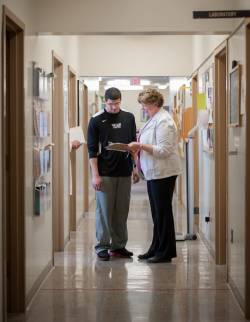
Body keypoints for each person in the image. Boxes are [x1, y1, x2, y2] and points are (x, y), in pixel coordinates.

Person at [128, 88, 181, 263]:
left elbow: (164, 150)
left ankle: (165, 252)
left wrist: (140, 146)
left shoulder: (164, 121)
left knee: (163, 213)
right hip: (154, 173)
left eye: (146, 105)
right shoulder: (154, 118)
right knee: (157, 214)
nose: (143, 108)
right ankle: (156, 248)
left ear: (155, 103)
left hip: (163, 173)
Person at [87, 87, 139, 261]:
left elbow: (133, 146)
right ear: (105, 102)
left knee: (122, 210)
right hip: (105, 173)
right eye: (111, 104)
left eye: (117, 103)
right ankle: (102, 245)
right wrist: (95, 175)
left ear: (120, 101)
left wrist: (135, 168)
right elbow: (92, 151)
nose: (114, 107)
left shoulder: (129, 118)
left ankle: (119, 246)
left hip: (124, 172)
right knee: (104, 211)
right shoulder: (96, 120)